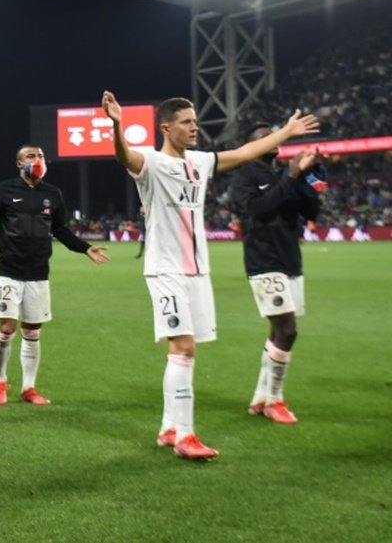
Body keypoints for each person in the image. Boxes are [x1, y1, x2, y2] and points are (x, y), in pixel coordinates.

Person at [101, 90, 319, 460]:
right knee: (183, 347)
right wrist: (117, 125)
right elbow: (123, 154)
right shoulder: (150, 162)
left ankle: (169, 427)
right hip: (165, 269)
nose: (194, 127)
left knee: (186, 352)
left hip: (198, 272)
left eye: (195, 122)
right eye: (186, 122)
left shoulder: (200, 162)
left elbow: (246, 153)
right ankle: (185, 435)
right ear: (166, 127)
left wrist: (286, 132)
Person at [0, 145, 109, 406]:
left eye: (40, 156)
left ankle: (28, 388)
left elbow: (61, 230)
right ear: (19, 164)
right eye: (30, 156)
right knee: (7, 327)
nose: (37, 160)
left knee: (32, 330)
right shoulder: (4, 190)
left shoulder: (53, 194)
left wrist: (86, 248)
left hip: (38, 273)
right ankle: (0, 380)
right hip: (9, 271)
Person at [229, 124, 325, 425]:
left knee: (277, 331)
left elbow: (311, 212)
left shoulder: (282, 174)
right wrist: (292, 175)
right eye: (261, 136)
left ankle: (261, 397)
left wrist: (313, 174)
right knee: (287, 329)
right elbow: (259, 210)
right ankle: (275, 400)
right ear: (252, 145)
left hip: (290, 260)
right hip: (263, 260)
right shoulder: (243, 177)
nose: (270, 138)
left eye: (272, 133)